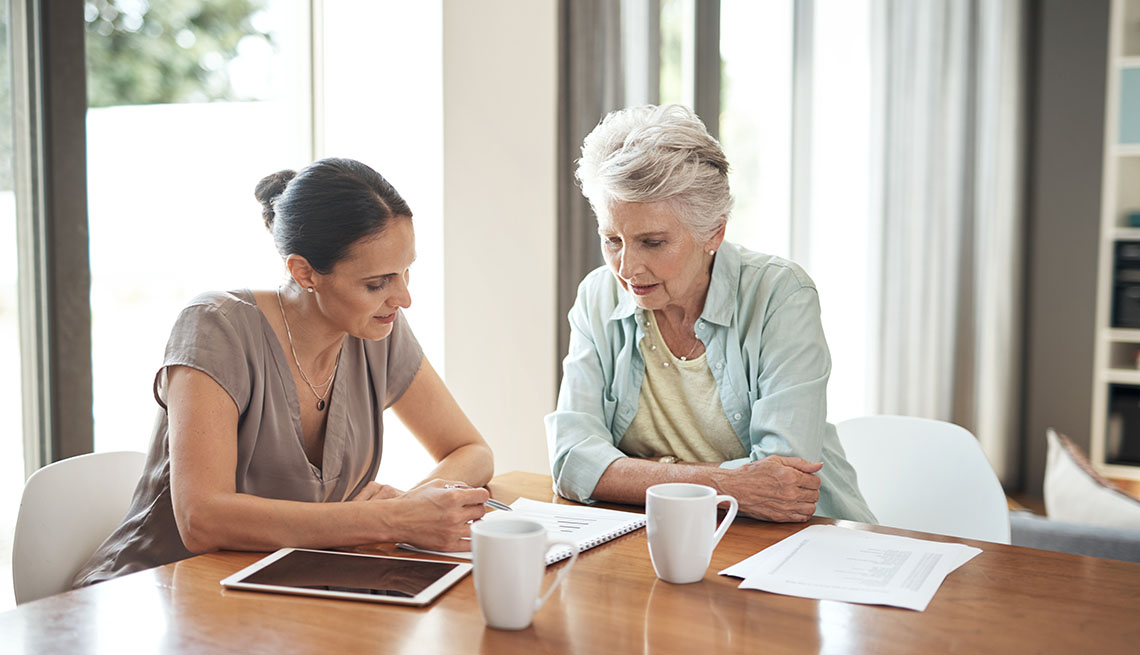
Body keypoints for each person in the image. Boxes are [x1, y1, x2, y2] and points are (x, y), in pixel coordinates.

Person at [74, 158, 494, 587]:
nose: (403, 298)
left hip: (282, 595)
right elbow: (202, 519)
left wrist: (412, 505)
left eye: (406, 272)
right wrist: (388, 519)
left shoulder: (378, 331)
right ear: (304, 271)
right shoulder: (216, 327)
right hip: (152, 594)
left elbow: (472, 451)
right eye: (377, 283)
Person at [545, 105, 875, 523]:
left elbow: (783, 482)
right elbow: (572, 461)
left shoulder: (780, 295)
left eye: (652, 242)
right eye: (612, 239)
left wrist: (627, 476)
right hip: (661, 536)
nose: (627, 268)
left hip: (796, 542)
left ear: (713, 232)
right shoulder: (598, 295)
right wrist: (729, 485)